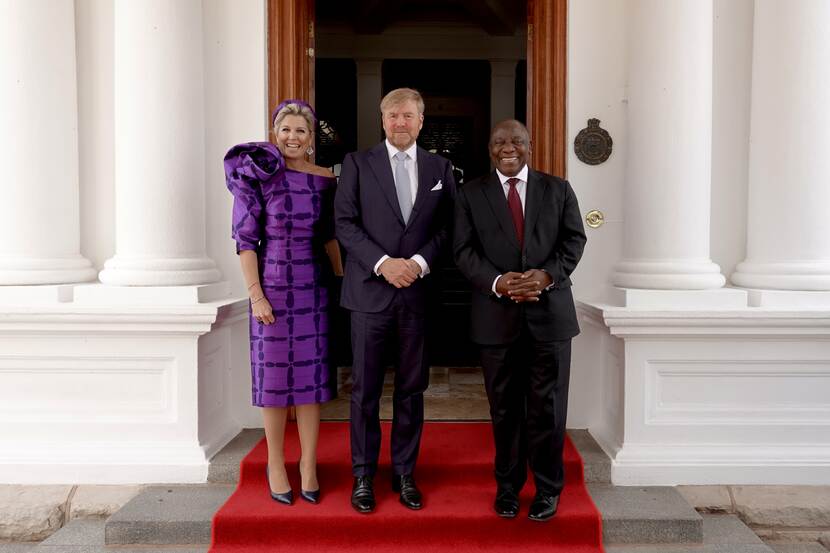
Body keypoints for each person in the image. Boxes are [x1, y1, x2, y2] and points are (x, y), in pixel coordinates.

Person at [453, 119, 586, 521]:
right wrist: (497, 282)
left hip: (551, 318)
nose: (507, 147)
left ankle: (548, 489)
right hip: (496, 318)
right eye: (499, 142)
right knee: (505, 410)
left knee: (548, 408)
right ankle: (508, 488)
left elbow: (573, 240)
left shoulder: (558, 189)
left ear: (530, 145)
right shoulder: (469, 193)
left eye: (516, 141)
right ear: (489, 148)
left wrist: (546, 276)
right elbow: (463, 250)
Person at [334, 88, 456, 513]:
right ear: (381, 120)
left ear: (421, 121)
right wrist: (384, 263)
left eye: (408, 115)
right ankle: (363, 475)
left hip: (416, 296)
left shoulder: (441, 167)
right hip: (369, 295)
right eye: (392, 116)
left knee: (411, 389)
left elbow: (449, 228)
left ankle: (405, 473)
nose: (400, 122)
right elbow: (344, 224)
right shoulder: (356, 163)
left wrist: (418, 263)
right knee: (364, 390)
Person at [224, 99, 342, 506]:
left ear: (312, 140)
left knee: (310, 384)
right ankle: (276, 463)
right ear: (275, 133)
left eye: (301, 131)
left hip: (314, 288)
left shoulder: (326, 179)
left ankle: (309, 464)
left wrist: (345, 283)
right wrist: (255, 295)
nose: (292, 137)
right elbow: (245, 242)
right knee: (274, 383)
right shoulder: (257, 176)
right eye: (286, 130)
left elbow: (330, 237)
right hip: (271, 288)